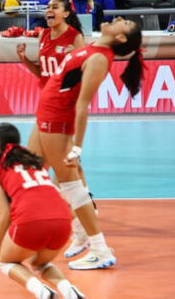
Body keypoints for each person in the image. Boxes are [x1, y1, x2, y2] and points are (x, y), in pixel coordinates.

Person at [30, 16, 144, 270]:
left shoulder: (99, 59)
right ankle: (80, 230)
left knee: (70, 183)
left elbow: (82, 106)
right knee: (31, 171)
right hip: (46, 114)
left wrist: (76, 147)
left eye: (123, 23)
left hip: (57, 119)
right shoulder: (92, 48)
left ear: (121, 38)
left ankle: (100, 248)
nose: (118, 19)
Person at [0, 123, 86, 299]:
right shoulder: (36, 163)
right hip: (62, 219)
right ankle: (71, 293)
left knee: (6, 261)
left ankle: (42, 292)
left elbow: (6, 213)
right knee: (41, 263)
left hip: (31, 220)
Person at [16, 0, 92, 258]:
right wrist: (25, 61)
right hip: (45, 104)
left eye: (54, 8)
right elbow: (42, 73)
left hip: (62, 107)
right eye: (47, 8)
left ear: (67, 13)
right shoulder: (44, 35)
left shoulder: (75, 38)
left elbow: (81, 75)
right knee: (34, 165)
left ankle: (82, 228)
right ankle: (68, 212)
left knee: (66, 169)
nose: (49, 11)